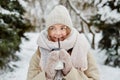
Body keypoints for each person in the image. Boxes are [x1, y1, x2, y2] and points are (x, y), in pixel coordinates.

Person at [27, 5, 100, 80]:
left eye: (62, 28)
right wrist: (47, 75)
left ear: (68, 29)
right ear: (48, 30)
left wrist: (70, 72)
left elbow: (95, 78)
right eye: (53, 28)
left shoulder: (80, 47)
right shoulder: (41, 50)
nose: (58, 33)